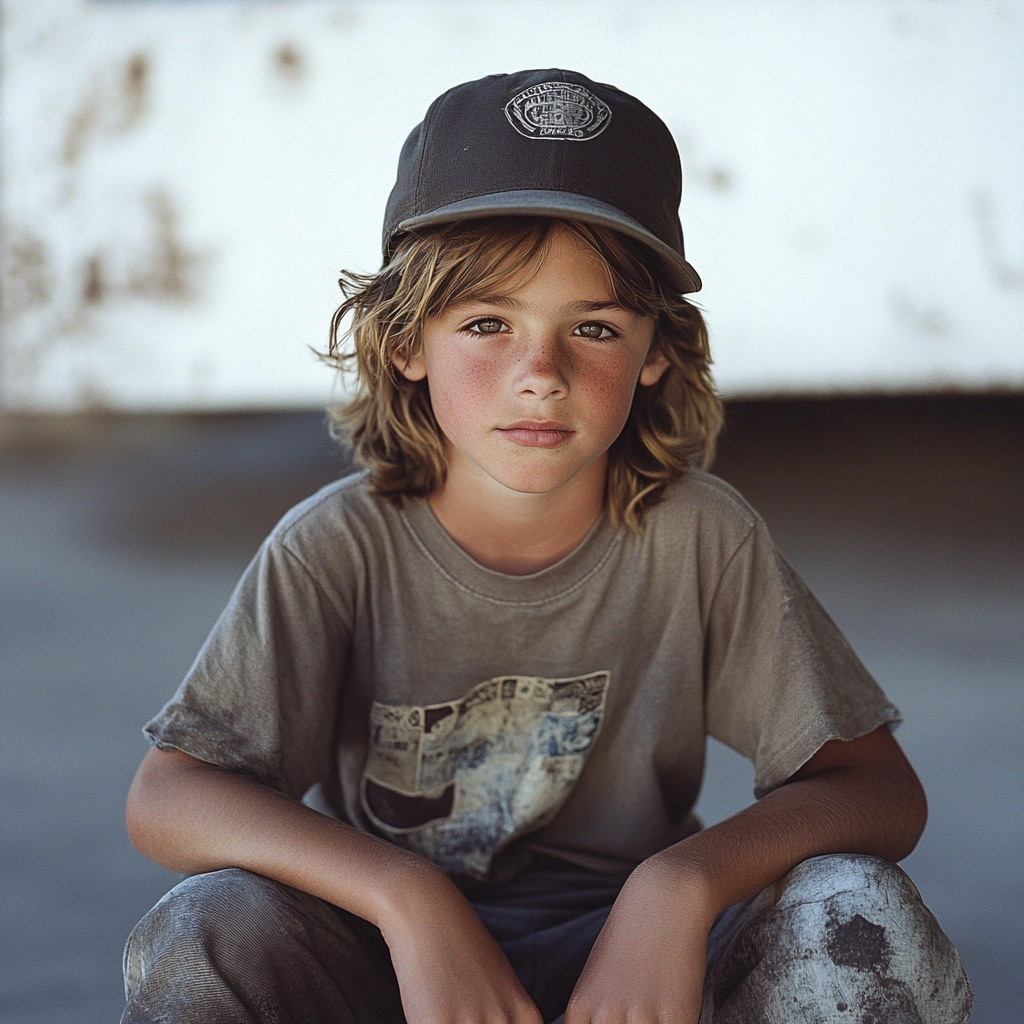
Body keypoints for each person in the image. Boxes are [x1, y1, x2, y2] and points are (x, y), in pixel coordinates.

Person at [121, 70, 972, 1024]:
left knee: (856, 911)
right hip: (396, 972)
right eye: (488, 323)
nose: (541, 374)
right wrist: (409, 900)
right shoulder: (336, 549)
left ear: (655, 352)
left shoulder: (699, 537)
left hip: (638, 973)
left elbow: (877, 790)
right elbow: (169, 797)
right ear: (406, 341)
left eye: (594, 328)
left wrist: (678, 888)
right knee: (207, 925)